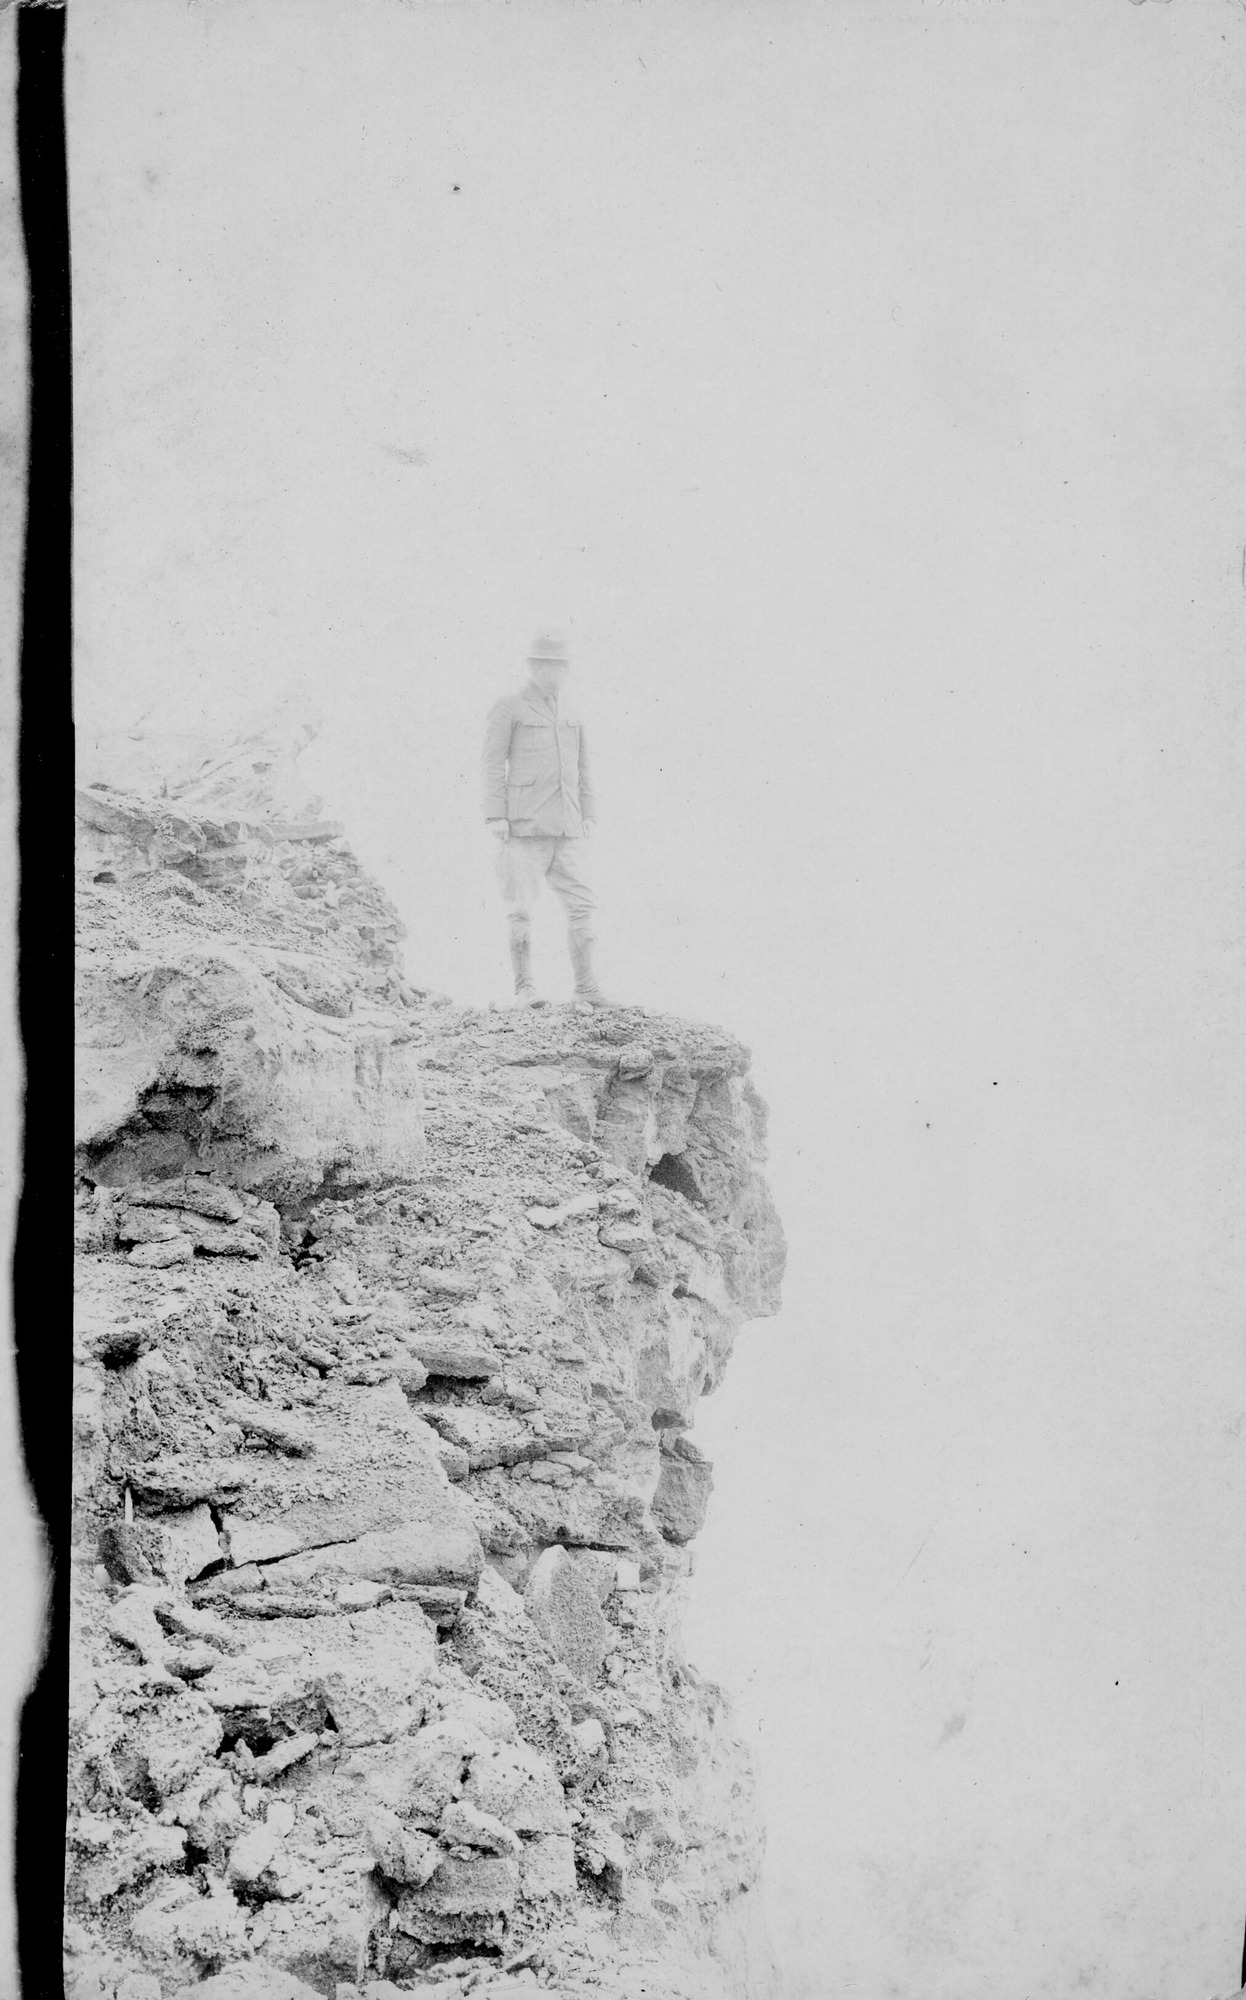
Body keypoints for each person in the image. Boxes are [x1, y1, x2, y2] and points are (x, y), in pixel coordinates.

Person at [481, 632, 612, 1008]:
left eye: (562, 666)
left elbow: (583, 765)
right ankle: (525, 989)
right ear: (534, 667)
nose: (556, 673)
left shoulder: (572, 709)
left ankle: (586, 987)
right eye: (548, 666)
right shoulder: (509, 706)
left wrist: (588, 812)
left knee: (583, 906)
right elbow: (492, 762)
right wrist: (496, 815)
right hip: (524, 827)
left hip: (568, 827)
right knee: (520, 909)